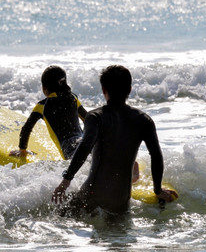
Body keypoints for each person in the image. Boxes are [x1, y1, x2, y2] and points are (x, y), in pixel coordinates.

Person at [52, 65, 177, 215]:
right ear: (130, 89)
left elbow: (85, 146)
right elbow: (156, 156)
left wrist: (66, 180)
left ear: (104, 90)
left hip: (92, 195)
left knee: (60, 216)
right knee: (116, 235)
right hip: (120, 201)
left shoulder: (95, 117)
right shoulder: (144, 120)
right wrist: (158, 190)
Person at [9, 65, 87, 160]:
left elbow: (27, 128)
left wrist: (22, 150)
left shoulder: (42, 106)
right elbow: (89, 120)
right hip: (86, 141)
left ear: (44, 88)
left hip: (70, 149)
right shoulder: (73, 98)